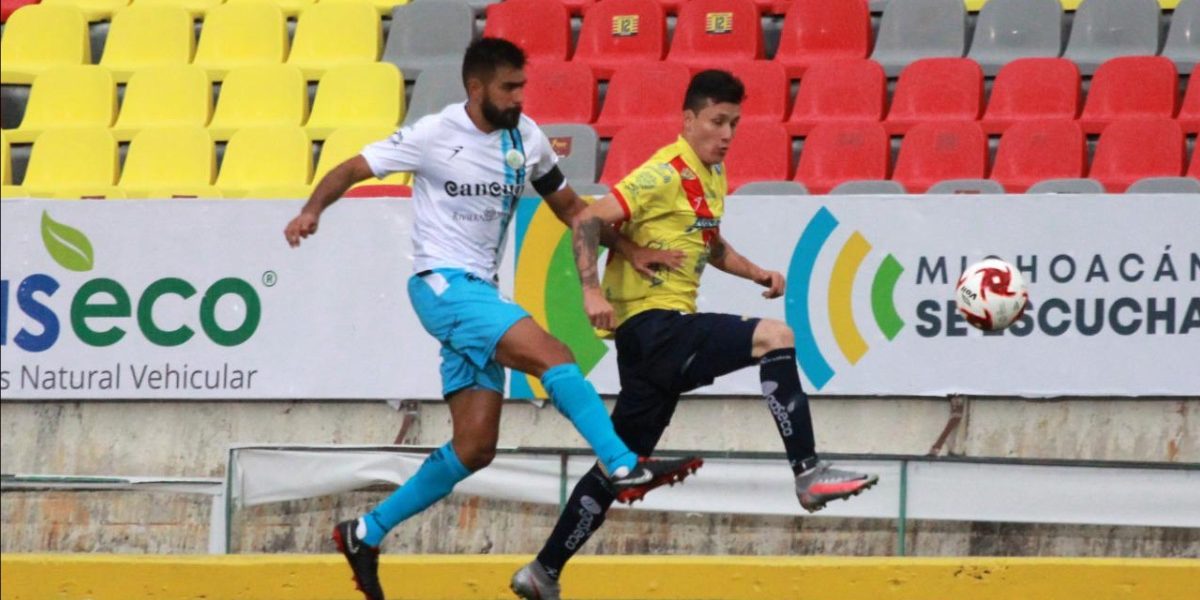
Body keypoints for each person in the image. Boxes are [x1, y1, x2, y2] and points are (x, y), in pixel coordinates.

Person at [283, 38, 703, 600]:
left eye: (522, 86)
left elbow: (573, 210)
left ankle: (364, 532)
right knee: (555, 355)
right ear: (475, 88)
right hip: (442, 286)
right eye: (509, 87)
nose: (520, 97)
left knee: (475, 447)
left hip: (478, 293)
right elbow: (353, 168)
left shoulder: (524, 137)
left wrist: (629, 251)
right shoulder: (435, 134)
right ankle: (623, 466)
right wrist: (312, 209)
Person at [510, 70, 880, 600]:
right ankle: (807, 471)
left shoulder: (711, 176)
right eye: (716, 122)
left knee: (619, 467)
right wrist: (591, 293)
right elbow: (588, 219)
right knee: (775, 337)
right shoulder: (665, 170)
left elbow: (710, 244)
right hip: (655, 328)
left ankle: (542, 571)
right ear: (689, 121)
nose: (727, 134)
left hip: (649, 346)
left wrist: (756, 273)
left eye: (734, 123)